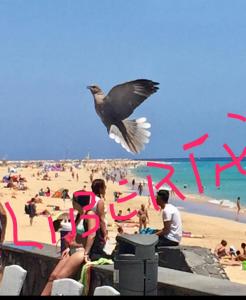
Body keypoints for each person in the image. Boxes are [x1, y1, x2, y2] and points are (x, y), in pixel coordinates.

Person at [41, 192, 109, 296]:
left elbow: (92, 235)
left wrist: (86, 253)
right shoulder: (80, 215)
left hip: (80, 251)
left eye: (74, 201)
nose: (72, 202)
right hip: (71, 250)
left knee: (60, 278)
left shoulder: (90, 215)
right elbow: (74, 233)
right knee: (53, 276)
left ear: (78, 202)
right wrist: (68, 247)